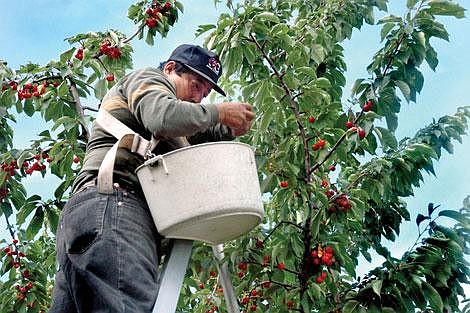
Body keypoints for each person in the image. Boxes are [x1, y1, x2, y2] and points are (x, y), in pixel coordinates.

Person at [49, 44, 255, 312]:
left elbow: (196, 131)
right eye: (196, 85)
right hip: (115, 207)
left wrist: (229, 127)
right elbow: (164, 118)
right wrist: (220, 112)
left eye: (205, 94)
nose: (198, 98)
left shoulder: (175, 126)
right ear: (170, 69)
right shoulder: (149, 81)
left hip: (92, 214)